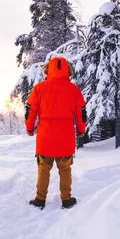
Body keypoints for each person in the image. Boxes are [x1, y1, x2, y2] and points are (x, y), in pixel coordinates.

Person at [25, 56, 86, 210]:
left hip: (45, 136)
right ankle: (66, 199)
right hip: (65, 137)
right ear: (67, 71)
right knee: (65, 169)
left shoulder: (39, 88)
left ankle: (40, 199)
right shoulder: (74, 90)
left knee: (43, 168)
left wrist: (29, 127)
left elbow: (30, 110)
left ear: (48, 70)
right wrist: (81, 129)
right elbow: (81, 112)